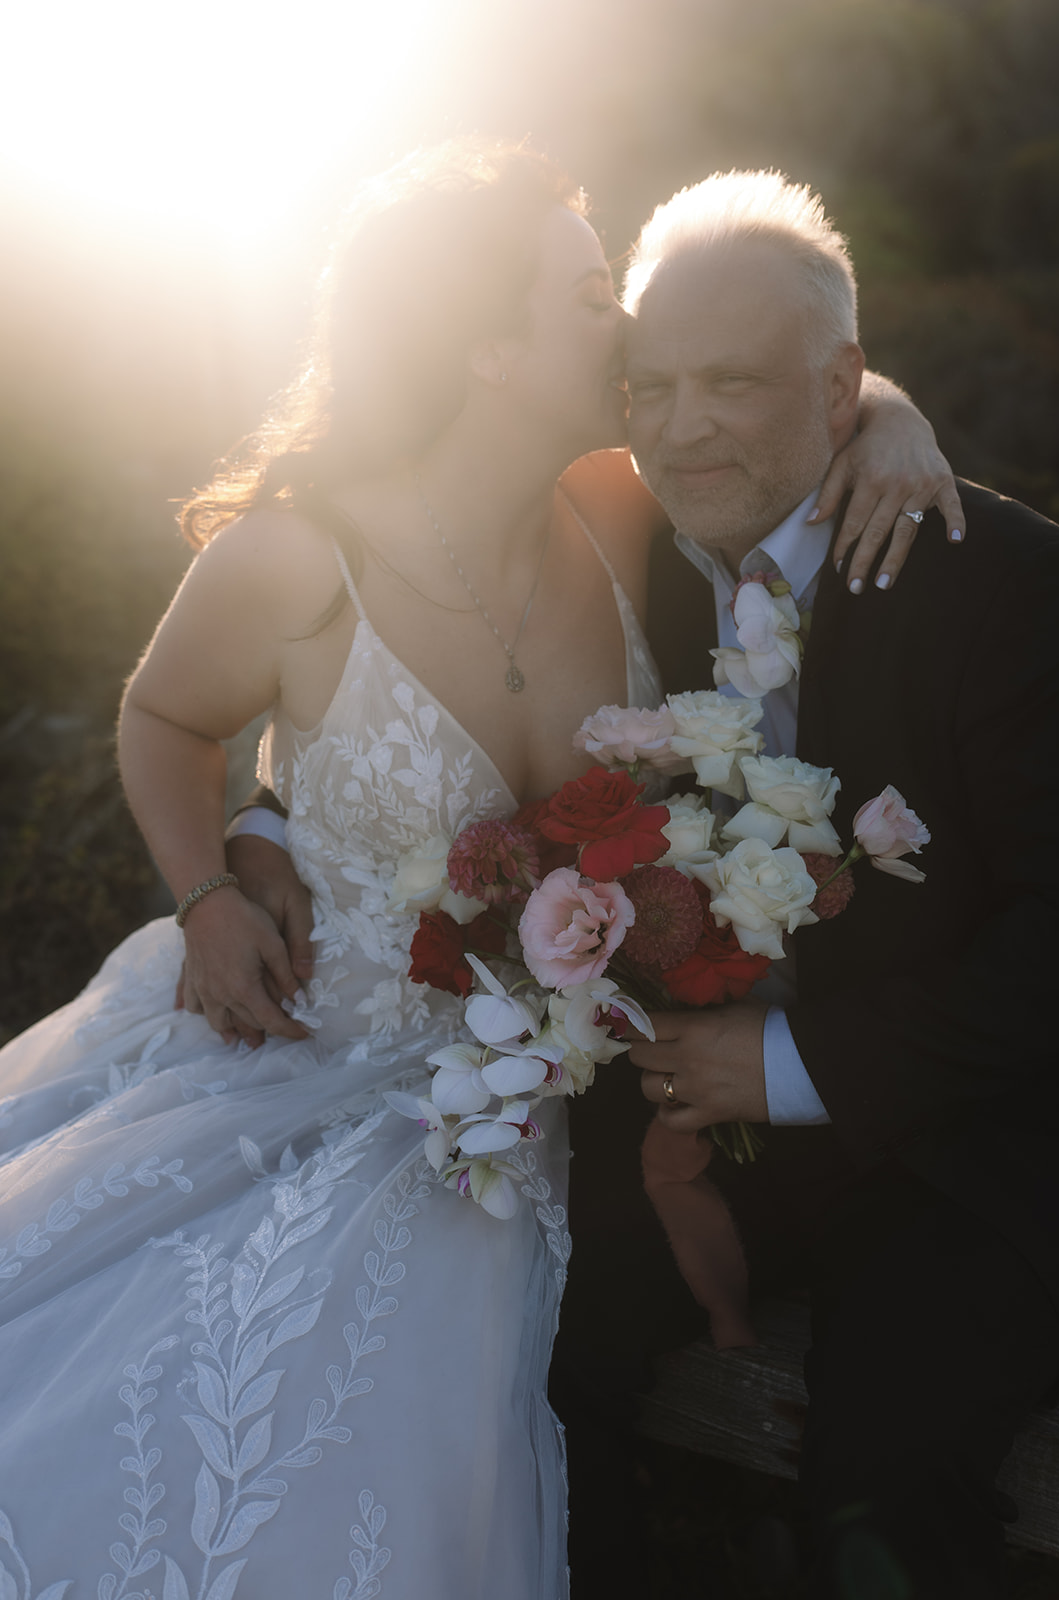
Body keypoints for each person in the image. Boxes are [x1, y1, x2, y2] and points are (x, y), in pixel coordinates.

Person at [0, 140, 958, 1600]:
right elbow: (162, 715)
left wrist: (891, 419)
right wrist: (206, 891)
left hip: (531, 1094)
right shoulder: (296, 561)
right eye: (588, 291)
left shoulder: (617, 502)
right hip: (297, 1045)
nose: (628, 323)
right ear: (488, 343)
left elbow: (798, 381)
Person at [621, 170, 1059, 1598]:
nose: (680, 425)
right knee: (525, 1339)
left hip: (975, 1146)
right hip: (705, 1139)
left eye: (731, 384)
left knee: (875, 1484)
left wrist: (792, 1061)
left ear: (842, 388)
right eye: (652, 382)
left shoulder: (996, 581)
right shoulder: (623, 561)